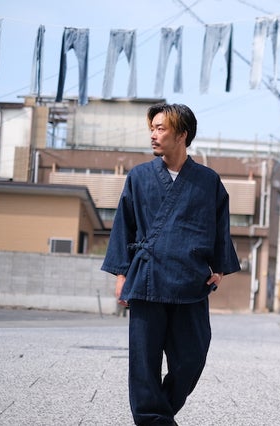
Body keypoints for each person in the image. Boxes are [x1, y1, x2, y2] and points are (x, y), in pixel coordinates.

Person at [101, 103, 240, 425]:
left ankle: (156, 416)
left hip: (191, 281)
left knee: (192, 357)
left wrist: (219, 267)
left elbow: (220, 226)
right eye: (152, 128)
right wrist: (121, 274)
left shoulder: (207, 181)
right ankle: (153, 419)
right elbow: (124, 225)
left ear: (182, 135)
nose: (153, 135)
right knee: (144, 363)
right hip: (147, 278)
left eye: (160, 128)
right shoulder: (139, 177)